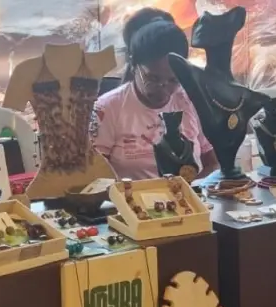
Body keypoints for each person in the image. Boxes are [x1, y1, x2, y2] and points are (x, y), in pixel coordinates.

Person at [90, 8, 218, 180]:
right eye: (152, 78)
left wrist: (195, 188)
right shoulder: (106, 109)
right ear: (133, 64)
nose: (163, 89)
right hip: (131, 196)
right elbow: (96, 177)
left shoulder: (191, 101)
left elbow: (213, 163)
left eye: (173, 80)